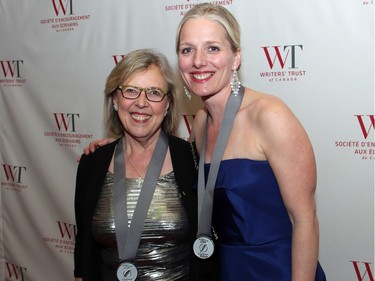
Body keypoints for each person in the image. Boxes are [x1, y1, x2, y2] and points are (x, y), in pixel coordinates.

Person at [82, 3, 326, 281]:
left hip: (278, 269)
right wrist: (118, 143)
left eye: (213, 48)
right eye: (187, 50)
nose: (198, 61)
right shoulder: (200, 122)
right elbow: (163, 156)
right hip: (224, 269)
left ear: (236, 57)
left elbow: (305, 221)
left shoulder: (270, 116)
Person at [74, 48, 218, 281]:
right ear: (114, 99)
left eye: (154, 92)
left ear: (168, 104)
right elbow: (83, 255)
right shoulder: (92, 163)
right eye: (130, 91)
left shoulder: (193, 159)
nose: (141, 103)